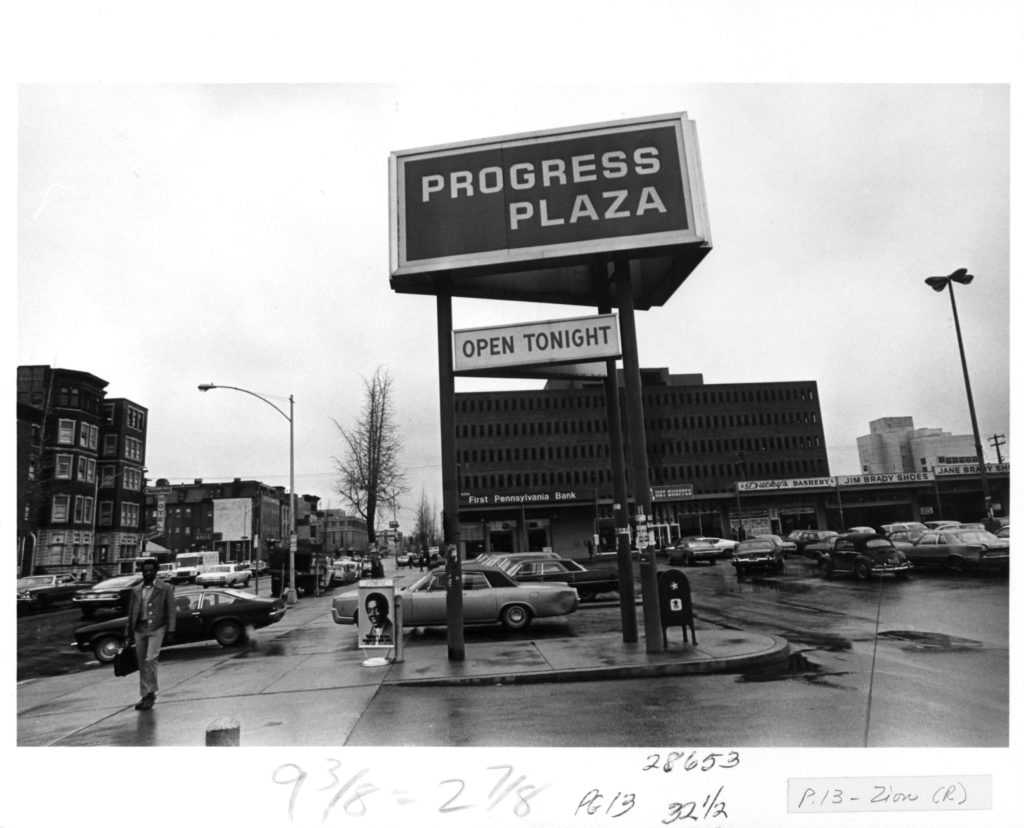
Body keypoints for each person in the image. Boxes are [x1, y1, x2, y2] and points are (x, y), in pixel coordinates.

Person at [124, 558, 176, 711]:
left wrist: (171, 629)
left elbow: (171, 610)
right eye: (145, 570)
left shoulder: (165, 588)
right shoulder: (136, 590)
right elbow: (131, 613)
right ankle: (145, 694)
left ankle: (151, 694)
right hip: (140, 629)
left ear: (156, 571)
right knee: (142, 663)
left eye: (151, 570)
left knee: (151, 659)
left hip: (156, 628)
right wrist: (128, 633)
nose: (148, 573)